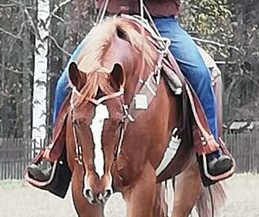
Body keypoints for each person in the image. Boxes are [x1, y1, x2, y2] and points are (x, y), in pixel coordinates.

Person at [28, 0, 233, 182]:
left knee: (199, 73)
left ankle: (209, 150)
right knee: (65, 82)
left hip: (160, 22)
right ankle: (54, 157)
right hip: (111, 23)